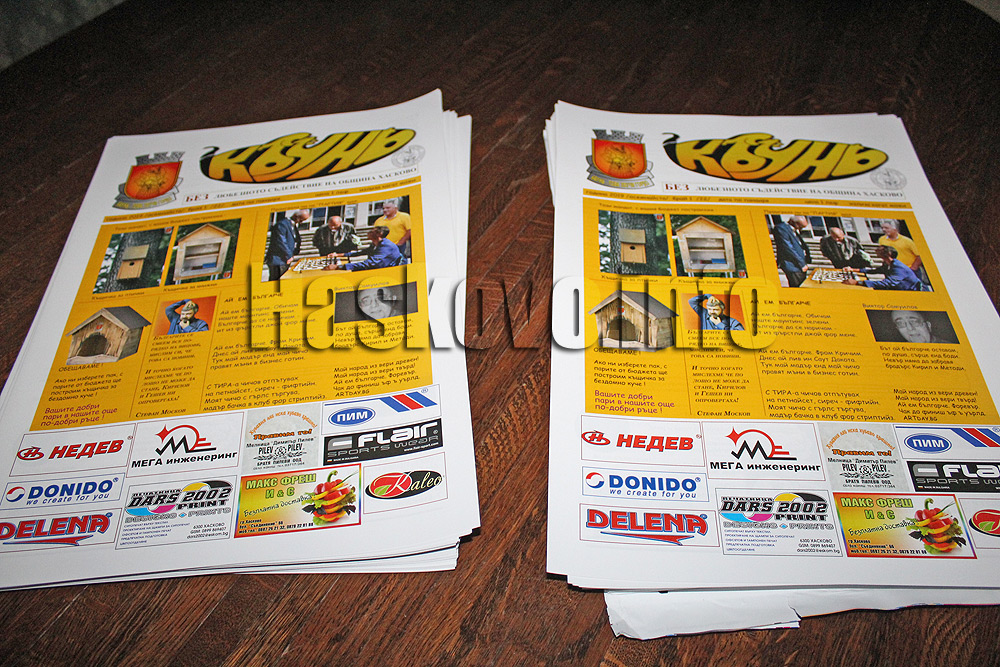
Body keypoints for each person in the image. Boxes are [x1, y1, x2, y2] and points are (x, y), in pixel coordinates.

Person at [843, 246, 921, 290]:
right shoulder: (888, 264)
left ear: (888, 253)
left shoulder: (898, 267)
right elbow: (875, 271)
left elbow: (887, 283)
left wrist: (858, 282)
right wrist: (853, 270)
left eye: (880, 249)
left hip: (911, 292)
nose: (876, 250)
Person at [325, 226, 402, 271]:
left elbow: (369, 263)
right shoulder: (375, 244)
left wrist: (339, 267)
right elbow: (361, 252)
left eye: (372, 232)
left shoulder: (386, 246)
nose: (368, 233)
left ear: (379, 234)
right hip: (377, 267)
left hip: (385, 271)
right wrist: (338, 255)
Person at [265, 209, 307, 280]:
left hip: (284, 259)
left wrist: (295, 251)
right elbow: (281, 242)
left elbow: (295, 239)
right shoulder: (282, 224)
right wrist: (289, 255)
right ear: (297, 217)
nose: (302, 222)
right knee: (276, 281)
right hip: (278, 260)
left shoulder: (293, 226)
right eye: (302, 219)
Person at [773, 215, 811, 287]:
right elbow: (788, 248)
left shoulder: (792, 230)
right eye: (801, 227)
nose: (801, 229)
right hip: (793, 265)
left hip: (799, 265)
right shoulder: (781, 228)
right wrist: (801, 264)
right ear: (795, 223)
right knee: (798, 287)